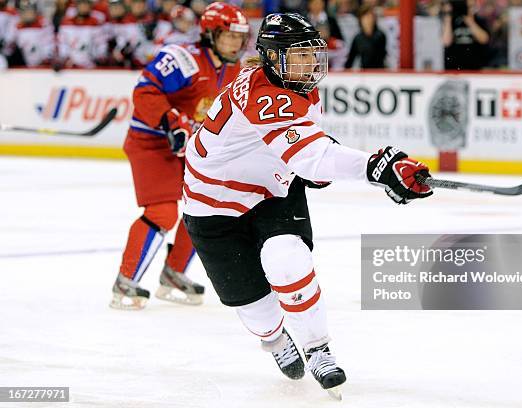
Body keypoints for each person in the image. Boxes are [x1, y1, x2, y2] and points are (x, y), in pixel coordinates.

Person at [182, 13, 433, 397]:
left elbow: (308, 149)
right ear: (271, 57)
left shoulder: (297, 84)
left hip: (272, 191)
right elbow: (310, 156)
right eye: (299, 55)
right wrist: (375, 167)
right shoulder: (264, 92)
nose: (310, 63)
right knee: (257, 312)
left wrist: (348, 165)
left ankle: (318, 348)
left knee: (288, 257)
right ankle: (276, 340)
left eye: (312, 54)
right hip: (211, 204)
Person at [110, 2, 250, 310]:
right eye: (228, 36)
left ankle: (174, 273)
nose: (234, 44)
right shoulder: (183, 58)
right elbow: (145, 91)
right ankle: (126, 281)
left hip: (188, 148)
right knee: (163, 214)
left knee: (206, 207)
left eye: (239, 38)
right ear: (210, 35)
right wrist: (172, 122)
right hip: (151, 144)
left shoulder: (236, 71)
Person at [441, 0, 490, 70]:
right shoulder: (453, 21)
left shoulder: (479, 21)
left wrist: (470, 21)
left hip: (474, 66)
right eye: (467, 6)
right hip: (453, 67)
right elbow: (446, 42)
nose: (469, 9)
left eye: (471, 6)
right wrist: (448, 16)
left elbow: (484, 39)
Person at [344, 4, 386, 69]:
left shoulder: (380, 36)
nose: (368, 20)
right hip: (364, 73)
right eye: (365, 17)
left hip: (378, 72)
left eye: (370, 16)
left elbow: (375, 55)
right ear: (360, 19)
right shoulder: (358, 38)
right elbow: (350, 60)